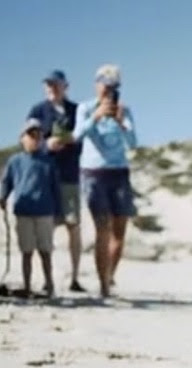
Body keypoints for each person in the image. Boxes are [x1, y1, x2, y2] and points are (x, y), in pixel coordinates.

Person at [71, 64, 137, 299]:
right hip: (94, 173)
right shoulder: (85, 108)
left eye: (114, 87)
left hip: (119, 172)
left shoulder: (125, 111)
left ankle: (110, 274)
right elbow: (76, 136)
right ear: (96, 84)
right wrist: (96, 117)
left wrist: (120, 121)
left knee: (120, 231)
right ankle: (103, 286)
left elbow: (133, 143)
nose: (109, 91)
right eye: (105, 86)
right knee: (103, 229)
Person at [26, 70, 85, 292]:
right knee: (45, 228)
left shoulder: (76, 110)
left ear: (65, 86)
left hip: (70, 174)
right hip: (45, 176)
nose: (52, 88)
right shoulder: (38, 111)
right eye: (48, 84)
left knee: (73, 226)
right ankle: (47, 278)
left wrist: (70, 140)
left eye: (56, 84)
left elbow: (85, 138)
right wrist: (45, 144)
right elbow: (26, 140)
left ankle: (75, 277)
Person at [0, 118, 62, 298]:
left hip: (45, 211)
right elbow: (7, 181)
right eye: (31, 135)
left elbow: (56, 188)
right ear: (22, 138)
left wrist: (59, 212)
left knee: (45, 251)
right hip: (23, 210)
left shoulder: (48, 162)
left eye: (38, 135)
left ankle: (49, 284)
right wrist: (2, 197)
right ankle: (27, 285)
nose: (35, 138)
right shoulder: (15, 161)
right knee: (26, 251)